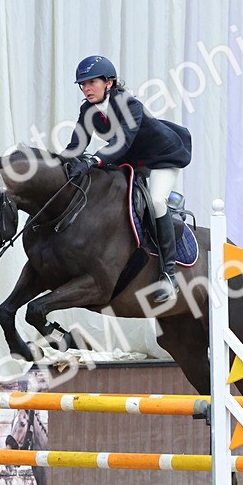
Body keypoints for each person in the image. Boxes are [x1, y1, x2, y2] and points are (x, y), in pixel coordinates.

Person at [62, 55, 192, 304]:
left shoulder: (128, 104)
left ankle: (169, 274)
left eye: (91, 83)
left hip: (162, 157)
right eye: (83, 84)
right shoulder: (87, 110)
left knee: (155, 202)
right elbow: (76, 145)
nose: (86, 89)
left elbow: (122, 142)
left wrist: (92, 161)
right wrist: (57, 163)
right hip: (131, 159)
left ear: (108, 83)